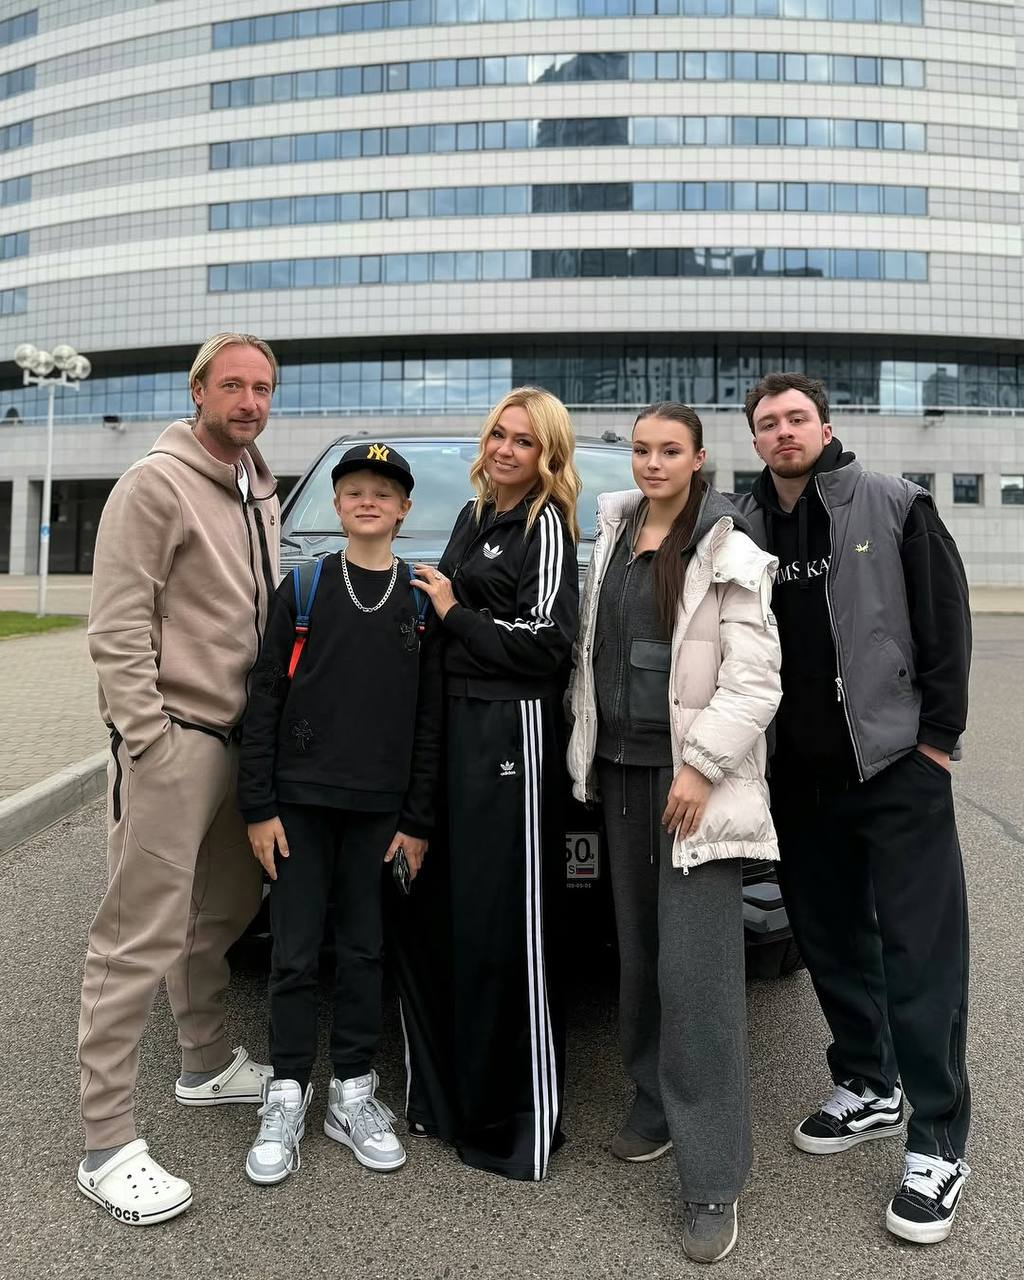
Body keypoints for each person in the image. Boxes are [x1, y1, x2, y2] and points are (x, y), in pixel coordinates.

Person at [732, 371, 972, 1245]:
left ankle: (939, 1139)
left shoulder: (894, 503)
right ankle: (870, 1084)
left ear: (825, 426)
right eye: (769, 423)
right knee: (830, 940)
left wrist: (937, 740)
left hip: (896, 767)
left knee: (920, 955)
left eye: (797, 418)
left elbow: (945, 621)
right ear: (754, 440)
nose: (784, 432)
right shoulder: (743, 525)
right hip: (800, 783)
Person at [566, 402, 781, 1264]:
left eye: (670, 451)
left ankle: (712, 1178)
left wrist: (699, 766)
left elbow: (754, 680)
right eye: (642, 449)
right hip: (620, 773)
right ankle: (654, 1105)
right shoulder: (614, 533)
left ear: (697, 459)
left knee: (698, 979)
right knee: (641, 955)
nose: (652, 463)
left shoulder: (729, 547)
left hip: (690, 784)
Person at [76, 333, 281, 1225]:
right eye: (232, 385)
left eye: (262, 387)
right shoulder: (153, 485)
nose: (249, 401)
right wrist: (148, 740)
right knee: (135, 939)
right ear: (198, 391)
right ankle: (106, 1142)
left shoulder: (256, 488)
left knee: (223, 913)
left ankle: (203, 1064)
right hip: (176, 742)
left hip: (242, 744)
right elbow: (117, 625)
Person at [236, 442, 442, 1184]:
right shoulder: (304, 586)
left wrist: (417, 820)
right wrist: (257, 806)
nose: (367, 502)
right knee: (293, 954)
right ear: (336, 504)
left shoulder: (419, 600)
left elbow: (429, 721)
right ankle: (287, 1089)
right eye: (354, 490)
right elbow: (264, 698)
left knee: (364, 950)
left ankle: (352, 1088)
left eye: (383, 493)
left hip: (380, 814)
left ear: (403, 509)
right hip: (298, 806)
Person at [407, 387, 580, 1182]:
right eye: (499, 436)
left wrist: (452, 613)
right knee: (455, 918)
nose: (506, 450)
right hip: (456, 727)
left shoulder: (547, 524)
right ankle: (455, 1105)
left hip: (513, 733)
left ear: (547, 455)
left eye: (524, 441)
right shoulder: (474, 516)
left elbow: (547, 643)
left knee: (513, 929)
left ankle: (522, 1125)